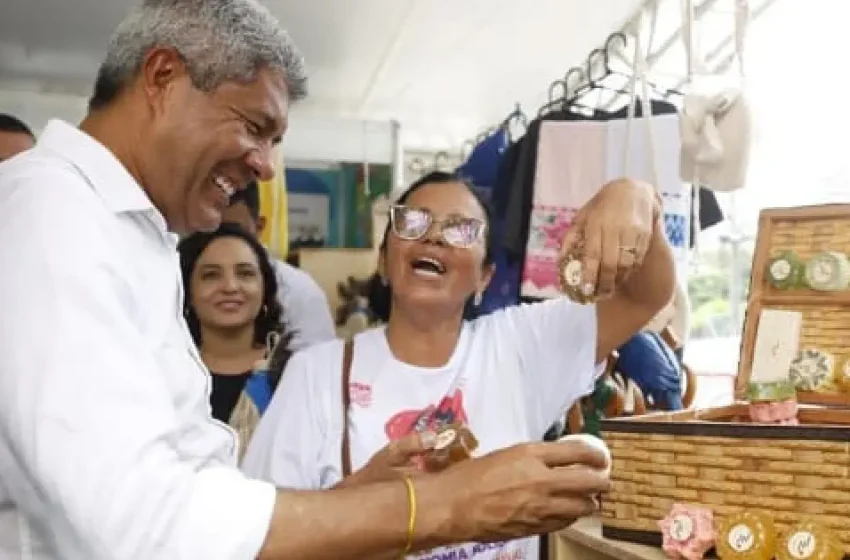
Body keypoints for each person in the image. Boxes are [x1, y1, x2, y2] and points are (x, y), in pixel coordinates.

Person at [0, 1, 611, 558]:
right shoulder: (51, 214)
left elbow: (183, 486)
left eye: (459, 232)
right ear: (162, 79)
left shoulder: (131, 233)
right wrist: (446, 505)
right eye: (254, 126)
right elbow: (147, 521)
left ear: (486, 275)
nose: (266, 165)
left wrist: (358, 497)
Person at [243, 171, 675, 559]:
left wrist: (636, 198)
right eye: (413, 222)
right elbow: (260, 536)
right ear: (384, 261)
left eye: (461, 229)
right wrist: (363, 496)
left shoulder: (520, 346)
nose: (433, 237)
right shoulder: (317, 373)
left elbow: (642, 297)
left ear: (485, 277)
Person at [179, 223, 292, 459]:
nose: (230, 287)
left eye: (245, 273)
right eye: (211, 275)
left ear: (265, 290)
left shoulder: (294, 374)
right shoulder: (166, 374)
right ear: (186, 293)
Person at [222, 180, 335, 350]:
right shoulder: (180, 281)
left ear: (259, 227)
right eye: (211, 232)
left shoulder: (299, 292)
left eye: (236, 232)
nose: (222, 243)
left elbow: (319, 368)